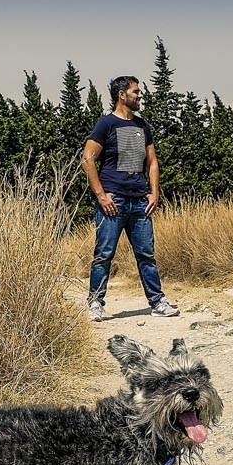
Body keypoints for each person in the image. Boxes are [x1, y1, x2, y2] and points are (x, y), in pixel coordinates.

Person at [81, 76, 180, 321]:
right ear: (122, 95)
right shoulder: (106, 124)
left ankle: (157, 301)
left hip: (139, 202)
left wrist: (154, 192)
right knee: (104, 254)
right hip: (113, 202)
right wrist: (101, 195)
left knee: (146, 254)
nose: (140, 95)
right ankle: (95, 303)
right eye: (136, 91)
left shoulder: (142, 125)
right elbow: (87, 159)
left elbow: (152, 161)